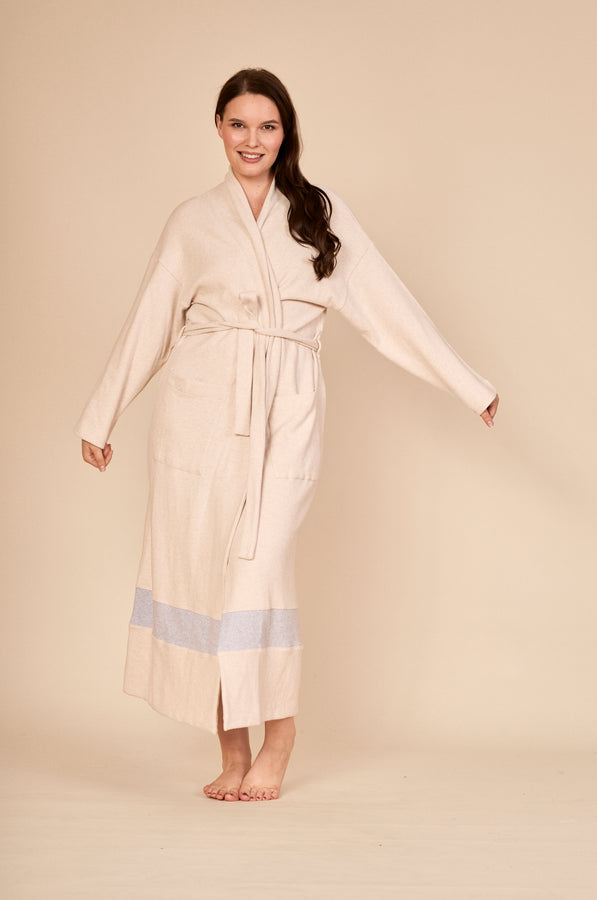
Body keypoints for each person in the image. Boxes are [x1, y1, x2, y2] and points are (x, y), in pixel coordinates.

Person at [76, 67, 499, 803]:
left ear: (285, 132)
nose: (252, 140)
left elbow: (387, 304)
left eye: (267, 126)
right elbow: (151, 318)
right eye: (238, 124)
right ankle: (232, 751)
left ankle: (279, 738)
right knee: (204, 572)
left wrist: (468, 384)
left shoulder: (319, 213)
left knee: (259, 569)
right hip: (200, 410)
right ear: (218, 127)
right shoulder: (192, 221)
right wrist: (100, 414)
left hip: (288, 405)